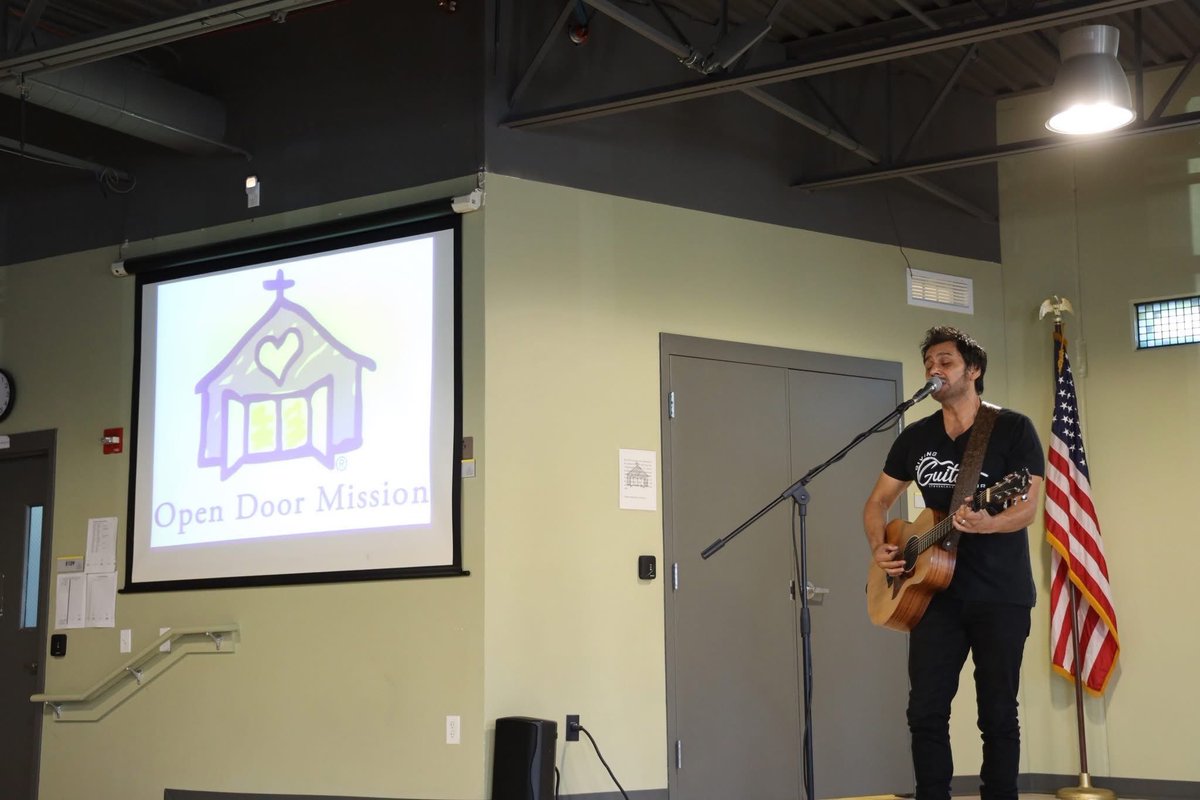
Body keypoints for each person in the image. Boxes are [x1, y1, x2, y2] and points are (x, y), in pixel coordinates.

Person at [862, 326, 1045, 800]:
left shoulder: (1011, 428)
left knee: (998, 713)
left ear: (974, 370)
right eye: (928, 364)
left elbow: (1027, 505)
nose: (934, 371)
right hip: (933, 597)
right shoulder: (917, 437)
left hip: (999, 593)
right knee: (924, 710)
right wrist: (879, 544)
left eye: (945, 361)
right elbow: (877, 503)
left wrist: (989, 524)